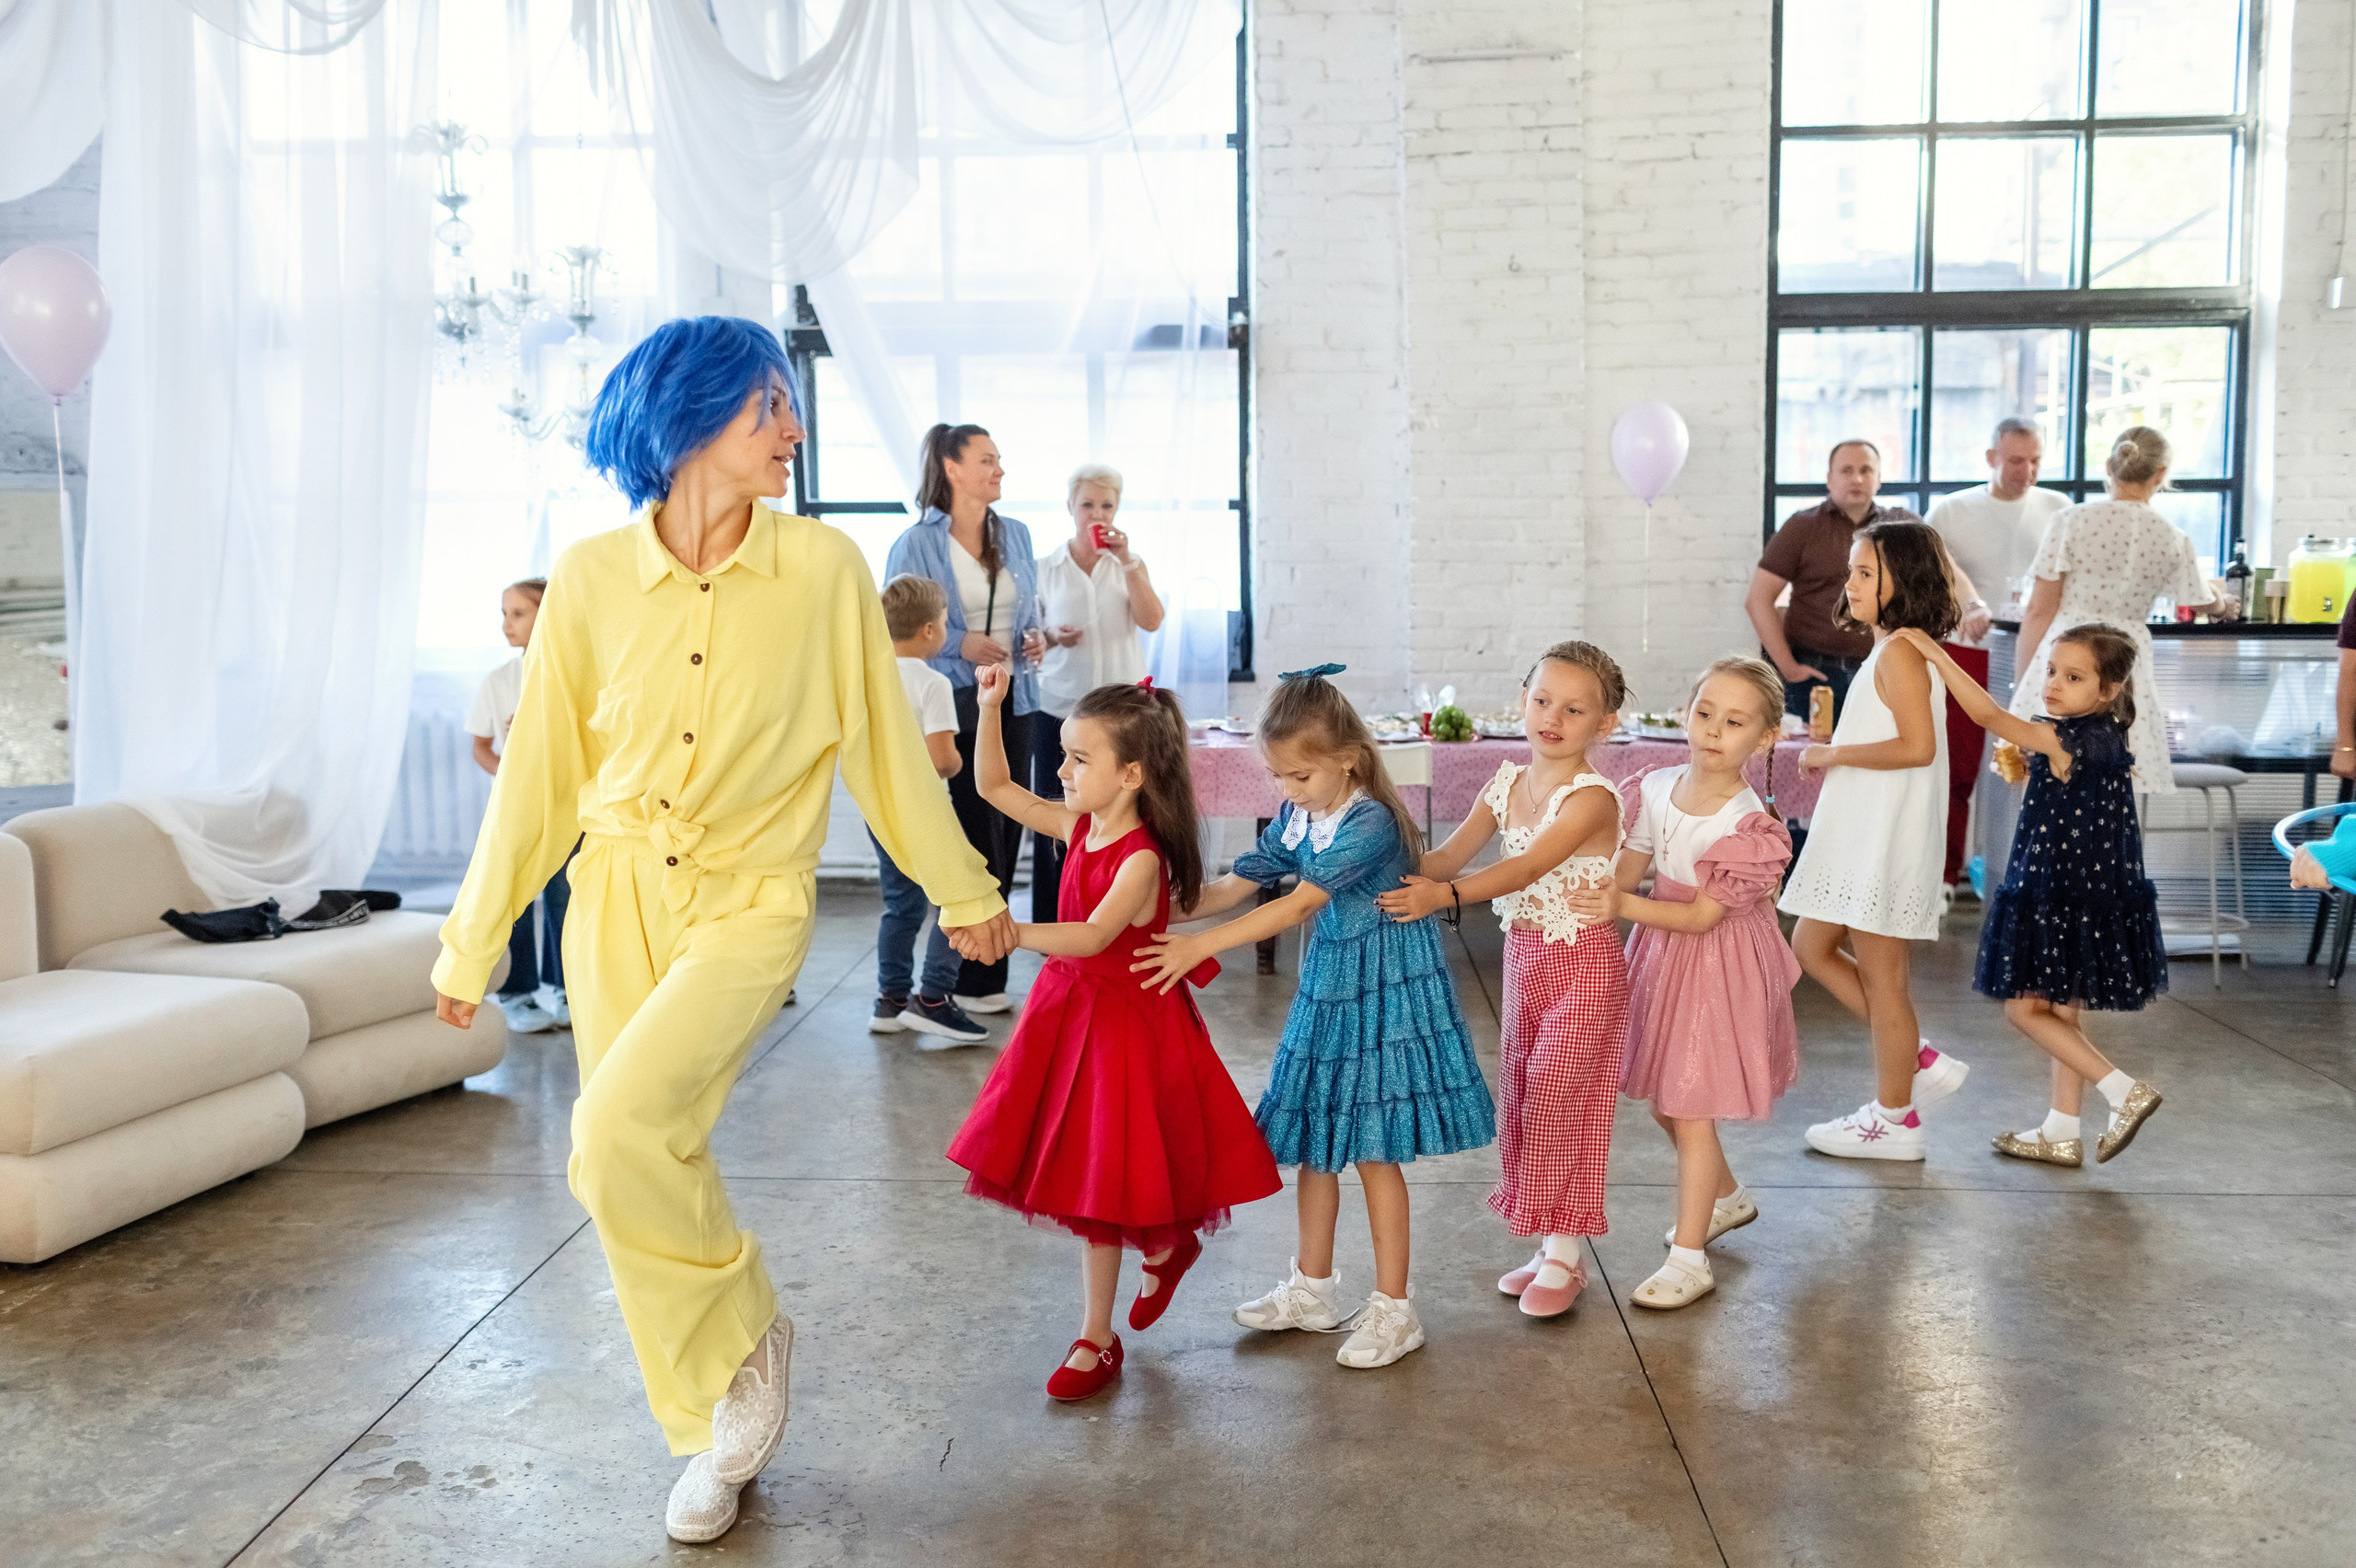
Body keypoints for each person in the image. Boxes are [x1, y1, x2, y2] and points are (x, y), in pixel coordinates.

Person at [429, 317, 1015, 1546]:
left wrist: (962, 888)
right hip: (614, 896)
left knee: (612, 1130)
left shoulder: (821, 571)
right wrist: (472, 943)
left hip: (751, 899)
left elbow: (880, 744)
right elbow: (539, 778)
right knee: (636, 1154)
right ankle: (712, 1415)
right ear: (692, 414)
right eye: (770, 406)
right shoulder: (589, 579)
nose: (794, 429)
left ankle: (740, 1341)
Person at [1132, 663, 1493, 1370]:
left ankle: (1396, 1309)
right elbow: (1239, 882)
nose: (1288, 789)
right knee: (1318, 1139)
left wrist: (1200, 946)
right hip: (1332, 983)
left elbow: (1298, 904)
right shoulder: (1302, 813)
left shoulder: (1371, 822)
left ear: (1347, 759)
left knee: (1374, 1148)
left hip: (1385, 992)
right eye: (1278, 776)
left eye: (1299, 775)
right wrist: (1151, 910)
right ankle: (1313, 1288)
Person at [946, 669, 1279, 1401]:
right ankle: (1160, 1254)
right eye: (1064, 756)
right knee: (1086, 1173)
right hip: (1068, 1015)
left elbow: (1095, 936)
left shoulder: (1141, 858)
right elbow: (995, 787)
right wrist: (991, 707)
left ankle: (1097, 1337)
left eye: (1078, 759)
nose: (1062, 772)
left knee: (1104, 1179)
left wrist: (1009, 933)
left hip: (1128, 1028)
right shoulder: (1080, 826)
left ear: (1131, 774)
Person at [1379, 641, 1632, 1320]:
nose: (1553, 717)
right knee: (1524, 1093)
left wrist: (1443, 897)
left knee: (1557, 1096)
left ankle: (1568, 1255)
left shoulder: (1591, 798)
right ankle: (1554, 1247)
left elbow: (1523, 870)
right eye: (1543, 700)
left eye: (1574, 709)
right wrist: (1379, 859)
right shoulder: (1505, 785)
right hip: (1527, 960)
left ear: (1604, 723)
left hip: (1584, 963)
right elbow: (1445, 857)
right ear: (1523, 700)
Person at [1571, 658, 1798, 1309]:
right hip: (1663, 951)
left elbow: (1701, 917)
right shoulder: (1656, 785)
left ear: (1766, 738)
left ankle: (1689, 1260)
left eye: (1735, 722)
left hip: (1720, 960)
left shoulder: (1747, 824)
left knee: (1691, 1105)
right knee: (1666, 1102)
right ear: (1685, 714)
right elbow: (1628, 869)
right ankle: (1726, 1197)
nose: (1714, 731)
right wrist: (1584, 895)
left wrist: (1622, 906)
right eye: (1705, 713)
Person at [1896, 624, 2166, 1167]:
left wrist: (1936, 654)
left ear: (2109, 690)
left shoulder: (2064, 739)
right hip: (2090, 898)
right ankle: (2061, 1130)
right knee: (2063, 1012)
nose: (2054, 684)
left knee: (2024, 1011)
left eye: (2074, 677)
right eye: (2051, 671)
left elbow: (1988, 716)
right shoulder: (2103, 736)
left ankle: (2122, 1091)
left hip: (2057, 895)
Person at [1778, 520, 1971, 1161]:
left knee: (1886, 981)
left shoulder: (1899, 655)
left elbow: (1917, 747)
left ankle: (1895, 1119)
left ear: (1903, 581)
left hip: (1884, 839)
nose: (1851, 585)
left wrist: (1832, 753)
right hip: (1864, 831)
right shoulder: (1891, 649)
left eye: (1866, 573)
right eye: (1851, 572)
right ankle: (1916, 1058)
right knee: (1811, 944)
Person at [885, 425, 1048, 1014]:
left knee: (1010, 830)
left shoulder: (1017, 534)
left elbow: (1031, 611)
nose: (999, 469)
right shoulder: (916, 542)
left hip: (1015, 697)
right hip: (953, 700)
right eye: (987, 460)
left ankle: (987, 978)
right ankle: (966, 978)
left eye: (999, 459)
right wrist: (962, 643)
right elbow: (897, 625)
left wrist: (1036, 638)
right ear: (952, 468)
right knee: (974, 839)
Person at [2009, 426, 2232, 795]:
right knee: (2113, 779)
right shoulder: (2172, 536)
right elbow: (2198, 597)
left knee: (2044, 778)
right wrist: (2224, 604)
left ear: (2110, 467)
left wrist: (2025, 685)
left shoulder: (2069, 521)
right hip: (2124, 663)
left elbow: (2039, 610)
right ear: (2160, 475)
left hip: (2067, 654)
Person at [1926, 418, 2067, 897]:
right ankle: (1944, 876)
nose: (2026, 471)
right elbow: (1936, 573)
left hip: (2039, 659)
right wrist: (1969, 606)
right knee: (1958, 769)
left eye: (2035, 461)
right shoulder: (1951, 511)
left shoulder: (2059, 509)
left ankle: (2027, 878)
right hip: (1967, 654)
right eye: (2015, 460)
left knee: (2031, 767)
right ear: (1991, 458)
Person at [1030, 464, 1166, 922]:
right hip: (1060, 709)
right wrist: (1053, 636)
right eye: (1087, 504)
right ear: (1070, 506)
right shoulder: (1044, 569)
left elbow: (1152, 621)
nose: (1097, 513)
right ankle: (1055, 922)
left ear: (1117, 509)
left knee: (1128, 811)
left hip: (1124, 714)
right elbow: (1032, 638)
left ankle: (1117, 914)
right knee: (1056, 815)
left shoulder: (1130, 564)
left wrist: (1127, 562)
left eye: (1106, 505)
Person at [868, 574, 989, 1046]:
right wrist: (959, 761)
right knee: (961, 897)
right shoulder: (933, 683)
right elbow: (942, 761)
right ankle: (934, 999)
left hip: (881, 810)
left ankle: (891, 1000)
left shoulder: (869, 681)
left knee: (901, 904)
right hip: (925, 812)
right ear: (930, 631)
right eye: (944, 620)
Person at [1748, 439, 1922, 725]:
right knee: (1810, 752)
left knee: (1878, 751)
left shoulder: (1901, 527)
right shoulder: (1802, 526)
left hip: (1883, 669)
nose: (1857, 479)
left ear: (1879, 479)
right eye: (1847, 470)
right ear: (1829, 479)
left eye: (1866, 470)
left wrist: (1973, 606)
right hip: (1815, 675)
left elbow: (1941, 580)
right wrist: (1789, 669)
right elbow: (1758, 600)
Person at [466, 576, 571, 1036]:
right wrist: (512, 781)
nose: (507, 624)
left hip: (568, 806)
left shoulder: (576, 673)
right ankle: (516, 993)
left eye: (518, 614)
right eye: (504, 614)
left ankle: (569, 989)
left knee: (567, 896)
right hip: (516, 810)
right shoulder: (499, 681)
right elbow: (481, 747)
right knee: (516, 899)